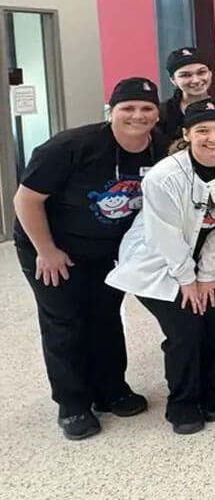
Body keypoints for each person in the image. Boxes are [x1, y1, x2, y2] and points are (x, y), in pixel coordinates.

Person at [13, 77, 167, 440]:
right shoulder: (71, 146)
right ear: (111, 111)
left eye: (146, 108)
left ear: (157, 114)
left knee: (106, 317)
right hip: (52, 246)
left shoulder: (161, 148)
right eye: (127, 108)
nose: (137, 115)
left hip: (108, 251)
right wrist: (46, 252)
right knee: (65, 322)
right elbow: (26, 200)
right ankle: (73, 404)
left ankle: (111, 389)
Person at [106, 99, 215, 434]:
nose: (213, 138)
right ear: (187, 134)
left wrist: (206, 275)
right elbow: (166, 236)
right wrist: (187, 280)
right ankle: (183, 402)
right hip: (158, 262)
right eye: (202, 130)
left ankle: (210, 388)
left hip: (211, 261)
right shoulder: (163, 176)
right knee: (186, 330)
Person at [158, 48, 215, 144]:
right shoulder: (162, 113)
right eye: (186, 75)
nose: (195, 80)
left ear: (210, 73)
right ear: (173, 80)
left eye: (201, 72)